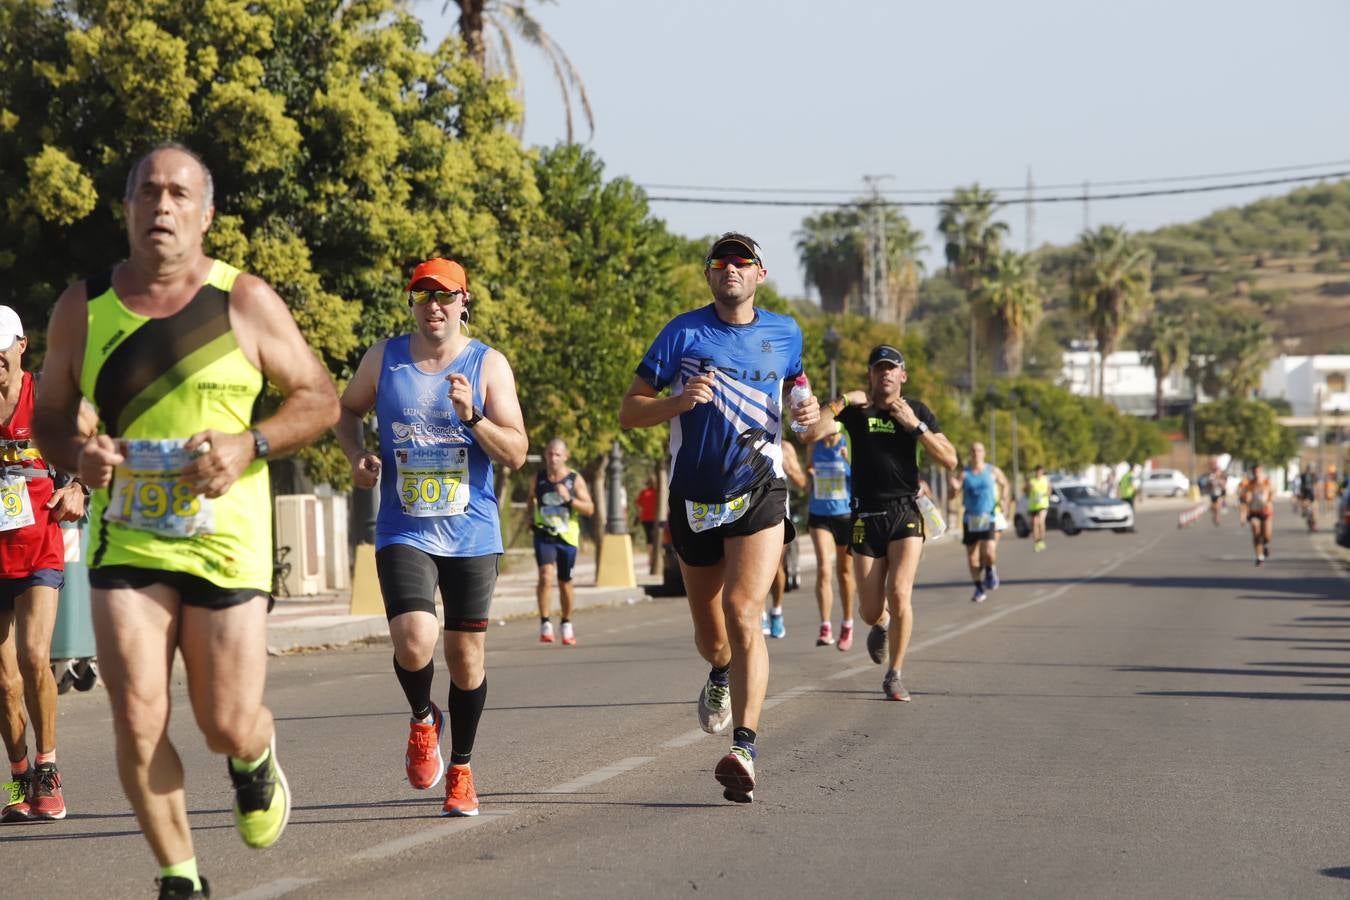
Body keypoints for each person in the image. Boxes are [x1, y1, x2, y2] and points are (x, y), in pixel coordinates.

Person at [33, 143, 340, 898]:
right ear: (128, 207)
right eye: (148, 192)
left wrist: (251, 442)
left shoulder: (245, 301)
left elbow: (320, 399)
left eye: (178, 194)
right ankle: (180, 878)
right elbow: (46, 416)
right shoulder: (83, 306)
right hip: (128, 534)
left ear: (205, 215)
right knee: (137, 716)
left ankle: (253, 757)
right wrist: (82, 454)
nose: (162, 206)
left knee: (223, 722)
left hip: (224, 539)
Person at [619, 232, 817, 803]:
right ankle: (719, 674)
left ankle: (745, 747)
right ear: (709, 275)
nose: (731, 268)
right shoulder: (681, 333)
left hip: (760, 490)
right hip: (694, 497)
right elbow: (629, 411)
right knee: (712, 634)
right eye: (720, 262)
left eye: (742, 261)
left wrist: (805, 412)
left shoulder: (785, 332)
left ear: (760, 274)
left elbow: (799, 398)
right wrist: (677, 403)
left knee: (743, 611)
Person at [337, 256, 527, 821]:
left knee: (466, 660)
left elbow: (516, 451)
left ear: (464, 302)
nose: (434, 307)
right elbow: (346, 413)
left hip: (471, 532)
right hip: (403, 526)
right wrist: (357, 456)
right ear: (412, 303)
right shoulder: (385, 357)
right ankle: (424, 718)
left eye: (445, 297)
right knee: (413, 639)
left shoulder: (487, 364)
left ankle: (462, 769)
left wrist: (472, 417)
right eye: (423, 297)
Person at [801, 345, 957, 702]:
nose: (885, 373)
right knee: (870, 610)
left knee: (900, 592)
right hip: (865, 516)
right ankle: (882, 624)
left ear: (903, 376)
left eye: (892, 368)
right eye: (878, 368)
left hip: (905, 512)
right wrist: (841, 400)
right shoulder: (858, 411)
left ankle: (895, 673)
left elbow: (950, 459)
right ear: (870, 376)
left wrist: (915, 427)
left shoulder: (917, 411)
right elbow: (809, 434)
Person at [0, 308, 90, 825]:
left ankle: (47, 769)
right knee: (4, 681)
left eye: (0, 349)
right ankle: (17, 775)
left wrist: (78, 488)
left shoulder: (49, 397)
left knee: (36, 657)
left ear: (21, 345)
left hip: (39, 545)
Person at [528, 438, 595, 645]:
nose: (553, 458)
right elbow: (531, 499)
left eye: (557, 454)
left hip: (567, 537)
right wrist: (530, 518)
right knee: (545, 576)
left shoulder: (574, 479)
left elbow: (590, 509)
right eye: (549, 453)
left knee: (565, 581)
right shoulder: (538, 478)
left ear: (566, 457)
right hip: (544, 534)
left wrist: (569, 499)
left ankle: (566, 623)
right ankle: (545, 623)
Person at [805, 422, 855, 649]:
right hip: (819, 514)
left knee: (844, 572)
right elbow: (807, 473)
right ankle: (825, 626)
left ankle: (847, 623)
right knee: (824, 567)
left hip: (844, 515)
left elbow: (863, 477)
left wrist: (847, 462)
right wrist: (809, 473)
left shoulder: (848, 444)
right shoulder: (814, 446)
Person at [949, 442, 1011, 604]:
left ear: (984, 453)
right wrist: (954, 488)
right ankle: (978, 587)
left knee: (989, 551)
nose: (976, 453)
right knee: (972, 557)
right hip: (970, 518)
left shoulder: (992, 471)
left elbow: (1005, 484)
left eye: (979, 450)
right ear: (970, 454)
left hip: (988, 516)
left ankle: (990, 570)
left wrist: (1004, 499)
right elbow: (951, 496)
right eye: (973, 450)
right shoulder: (965, 474)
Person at [762, 443, 806, 639]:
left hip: (778, 516)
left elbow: (803, 483)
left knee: (775, 568)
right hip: (752, 515)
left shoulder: (785, 447)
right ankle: (760, 613)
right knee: (755, 568)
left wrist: (789, 469)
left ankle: (776, 611)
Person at [1238, 464, 1275, 566]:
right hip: (1254, 512)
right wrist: (1242, 516)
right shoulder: (1249, 484)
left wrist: (1269, 501)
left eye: (1258, 471)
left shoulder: (1267, 482)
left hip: (1266, 512)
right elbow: (1243, 501)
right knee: (1256, 531)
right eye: (1254, 472)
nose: (1256, 474)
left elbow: (1273, 493)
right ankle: (1259, 556)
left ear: (1262, 472)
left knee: (1266, 536)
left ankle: (1266, 544)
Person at [1026, 465, 1051, 552]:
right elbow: (1026, 490)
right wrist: (1028, 487)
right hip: (1034, 505)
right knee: (1034, 523)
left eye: (1040, 471)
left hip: (1043, 504)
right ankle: (1036, 542)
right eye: (1037, 471)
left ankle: (1042, 539)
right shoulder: (1032, 481)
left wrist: (1044, 495)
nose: (1039, 473)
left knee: (1041, 521)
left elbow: (1049, 490)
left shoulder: (1045, 479)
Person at [636, 477, 658, 549]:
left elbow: (639, 507)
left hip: (645, 518)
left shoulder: (644, 492)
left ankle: (650, 557)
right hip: (656, 518)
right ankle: (656, 556)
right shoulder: (658, 493)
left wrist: (638, 516)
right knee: (656, 537)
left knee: (649, 537)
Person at [1206, 459, 1228, 526]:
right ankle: (1215, 515)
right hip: (1213, 493)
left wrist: (1219, 480)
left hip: (1220, 493)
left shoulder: (1220, 473)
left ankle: (1217, 517)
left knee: (1218, 505)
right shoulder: (1211, 474)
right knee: (1213, 507)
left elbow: (1224, 483)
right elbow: (1208, 484)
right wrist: (1209, 486)